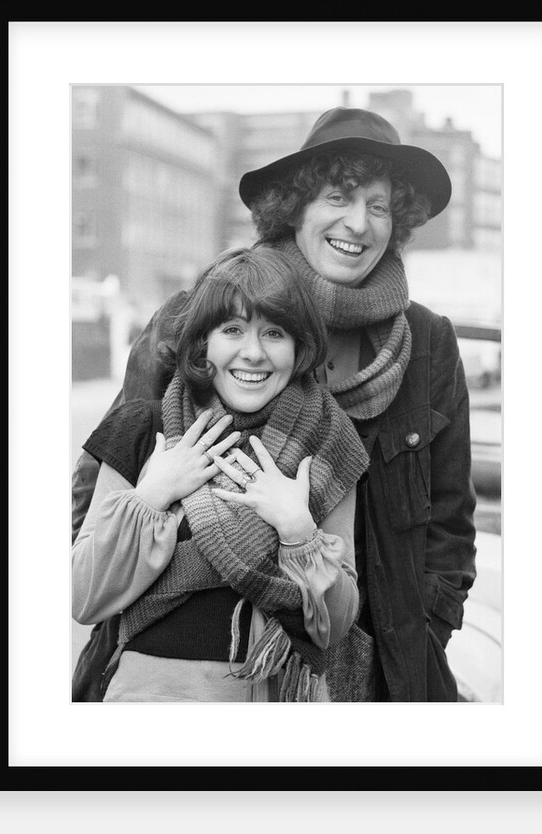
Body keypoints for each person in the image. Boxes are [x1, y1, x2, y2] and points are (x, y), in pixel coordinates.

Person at [73, 106, 477, 702]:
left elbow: (449, 524)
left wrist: (421, 639)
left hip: (374, 667)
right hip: (187, 667)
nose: (359, 224)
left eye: (380, 204)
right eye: (338, 197)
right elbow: (96, 495)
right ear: (296, 208)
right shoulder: (196, 316)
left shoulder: (428, 344)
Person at [72, 246, 370, 702]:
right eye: (233, 329)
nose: (253, 353)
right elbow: (83, 595)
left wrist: (298, 530)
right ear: (202, 343)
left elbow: (336, 625)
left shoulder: (329, 446)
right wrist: (152, 494)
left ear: (300, 347)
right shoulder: (140, 430)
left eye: (274, 333)